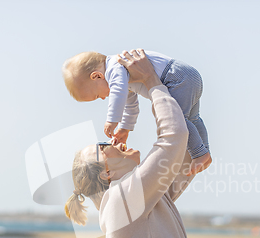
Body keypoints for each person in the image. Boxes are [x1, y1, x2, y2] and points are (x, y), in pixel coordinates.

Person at [64, 49, 195, 238]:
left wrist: (187, 93)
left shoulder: (138, 196)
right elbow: (173, 138)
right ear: (106, 173)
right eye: (103, 146)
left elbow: (183, 158)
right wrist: (151, 81)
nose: (112, 141)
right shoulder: (122, 199)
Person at [62, 49, 212, 176]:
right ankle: (205, 152)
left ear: (97, 76)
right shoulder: (123, 74)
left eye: (96, 95)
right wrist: (125, 128)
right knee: (193, 119)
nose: (102, 98)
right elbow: (131, 104)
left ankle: (199, 154)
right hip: (187, 76)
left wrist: (112, 120)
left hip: (176, 78)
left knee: (179, 120)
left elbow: (118, 92)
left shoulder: (115, 67)